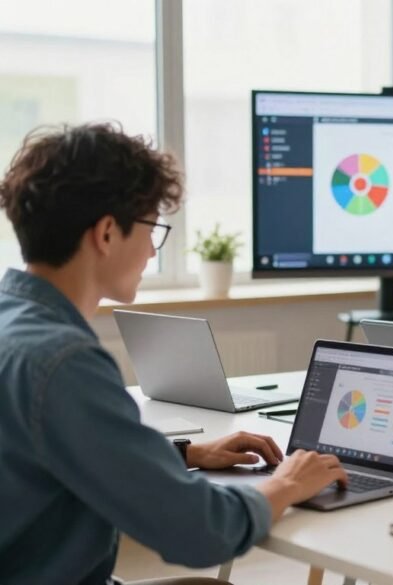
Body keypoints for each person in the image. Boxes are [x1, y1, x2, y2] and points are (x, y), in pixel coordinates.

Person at [0, 123, 348, 585]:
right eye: (151, 228)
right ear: (106, 233)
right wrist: (287, 484)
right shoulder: (64, 361)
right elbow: (198, 531)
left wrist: (185, 454)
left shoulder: (15, 323)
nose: (150, 250)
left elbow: (44, 451)